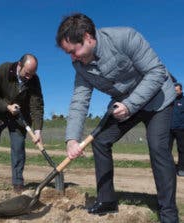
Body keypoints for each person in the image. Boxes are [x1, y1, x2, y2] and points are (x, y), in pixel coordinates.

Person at [56, 13, 178, 222]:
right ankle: (107, 201)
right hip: (124, 104)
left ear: (88, 37)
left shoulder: (125, 37)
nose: (73, 58)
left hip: (158, 98)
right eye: (69, 54)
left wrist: (130, 105)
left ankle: (168, 213)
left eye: (74, 51)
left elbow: (156, 72)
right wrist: (72, 138)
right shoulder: (80, 66)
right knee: (101, 141)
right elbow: (79, 100)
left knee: (158, 147)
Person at [0, 54, 44, 193]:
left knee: (18, 148)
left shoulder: (34, 80)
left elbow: (37, 106)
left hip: (18, 118)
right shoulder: (3, 70)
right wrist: (7, 106)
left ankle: (18, 182)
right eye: (27, 73)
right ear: (19, 65)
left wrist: (37, 131)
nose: (29, 77)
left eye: (33, 74)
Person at [170, 83, 184, 176]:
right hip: (169, 129)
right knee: (166, 150)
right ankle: (168, 168)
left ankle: (181, 169)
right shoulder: (170, 100)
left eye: (177, 90)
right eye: (174, 90)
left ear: (181, 90)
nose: (175, 92)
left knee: (182, 150)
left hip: (181, 129)